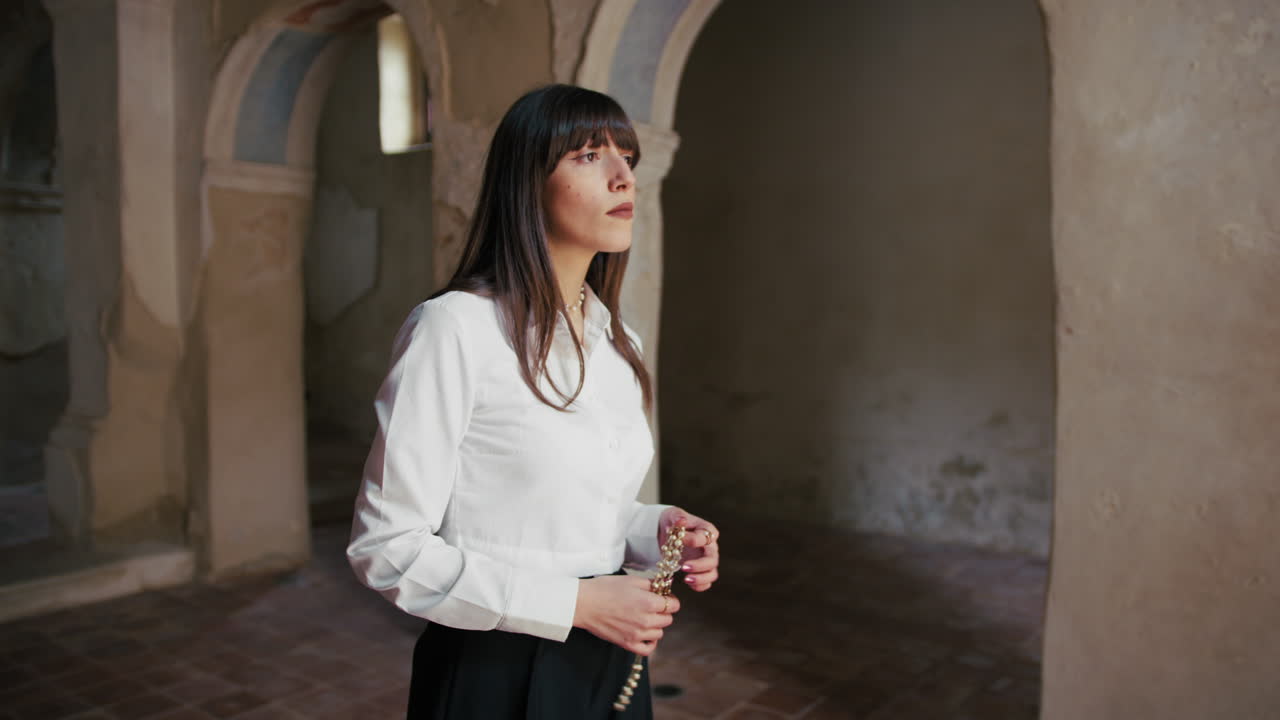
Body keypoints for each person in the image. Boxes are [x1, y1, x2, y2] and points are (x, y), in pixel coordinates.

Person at [346, 84, 722, 719]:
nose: (621, 175)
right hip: (495, 668)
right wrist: (575, 604)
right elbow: (386, 549)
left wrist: (651, 528)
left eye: (627, 156)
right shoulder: (455, 329)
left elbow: (565, 512)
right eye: (587, 155)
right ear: (528, 183)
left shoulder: (616, 340)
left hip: (611, 656)